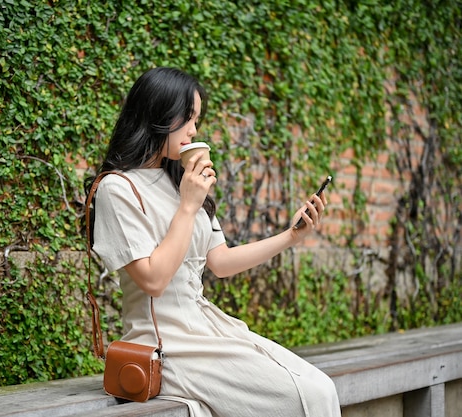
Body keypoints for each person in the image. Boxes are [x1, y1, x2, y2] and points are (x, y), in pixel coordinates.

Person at [85, 67, 341, 417]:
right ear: (159, 115)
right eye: (188, 118)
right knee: (298, 397)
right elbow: (153, 280)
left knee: (319, 388)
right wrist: (188, 206)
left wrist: (291, 236)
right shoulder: (117, 189)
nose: (194, 131)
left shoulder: (181, 180)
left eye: (196, 120)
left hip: (208, 329)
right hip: (163, 347)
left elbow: (220, 262)